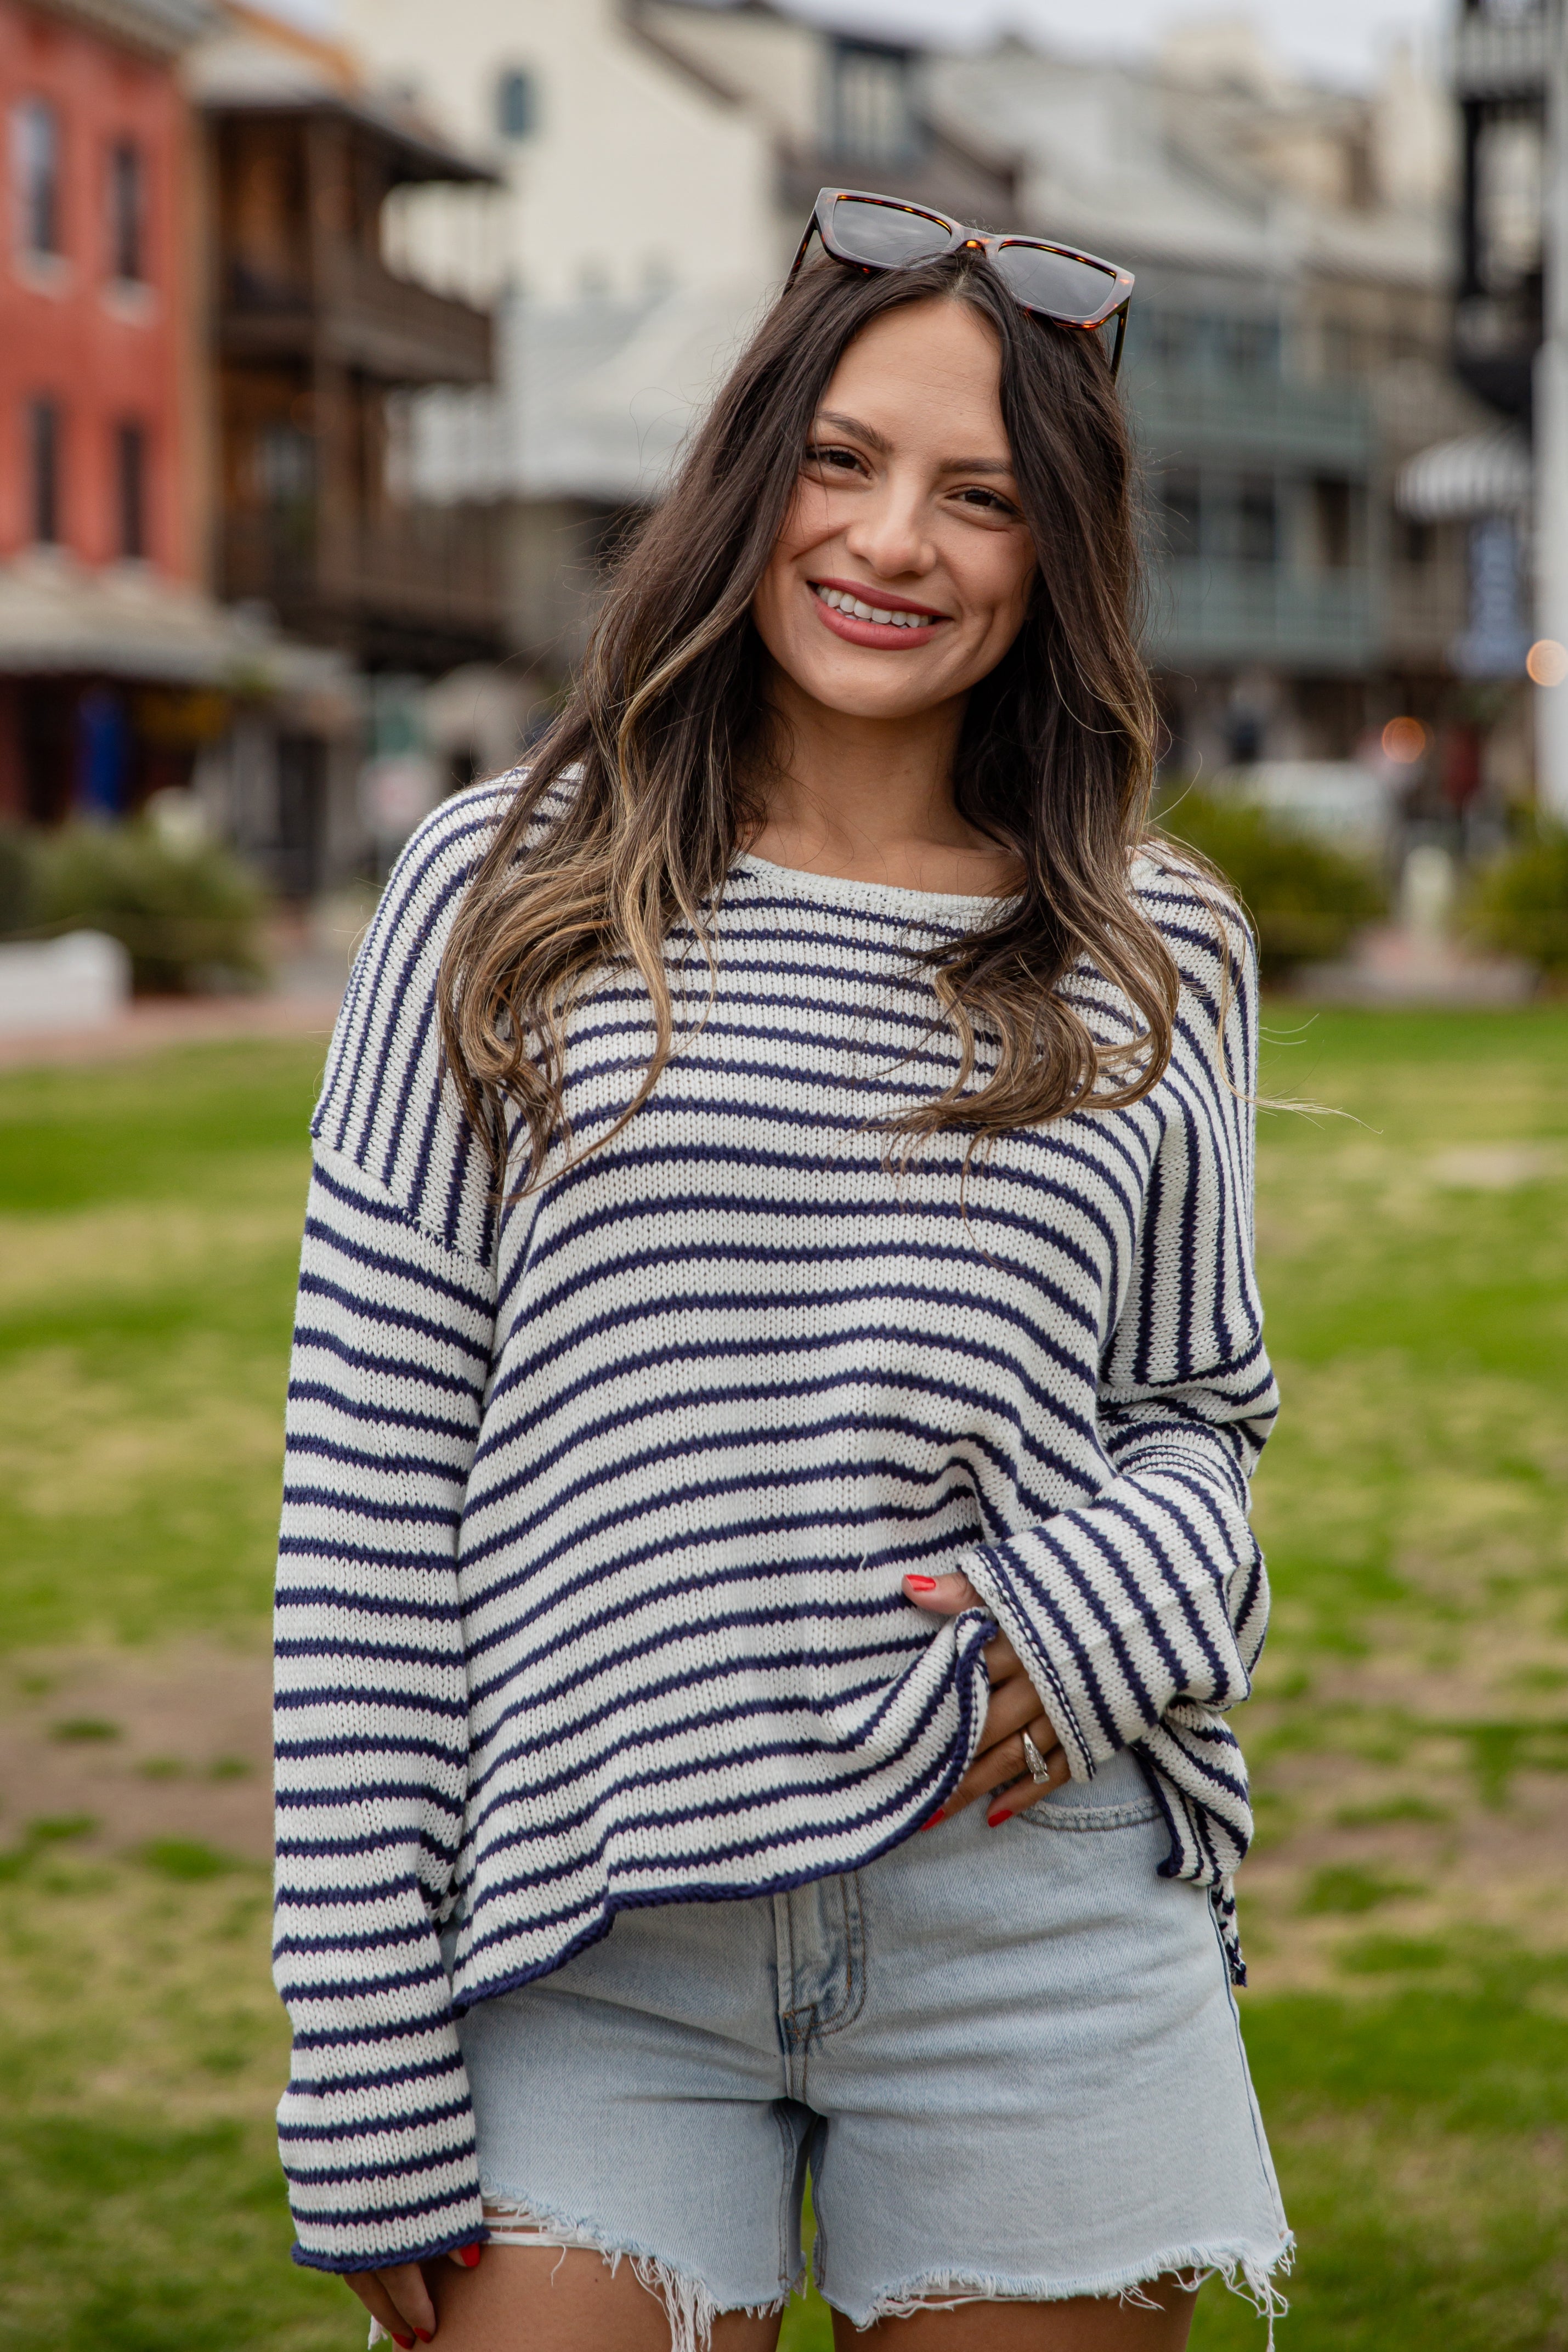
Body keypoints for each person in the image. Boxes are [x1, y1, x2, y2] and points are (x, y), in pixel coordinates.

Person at [271, 193, 1292, 2352]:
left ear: (1056, 553)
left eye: (979, 495)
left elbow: (1201, 1415)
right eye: (840, 461)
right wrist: (358, 2041)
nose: (894, 539)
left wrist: (1130, 1596)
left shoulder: (1155, 943)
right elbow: (364, 1512)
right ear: (751, 478)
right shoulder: (500, 898)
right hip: (589, 1927)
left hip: (1029, 1915)